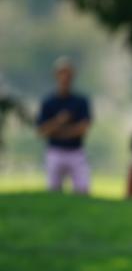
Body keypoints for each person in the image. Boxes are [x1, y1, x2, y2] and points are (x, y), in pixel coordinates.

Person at [35, 57, 92, 194]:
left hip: (75, 151)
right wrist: (59, 121)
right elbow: (41, 131)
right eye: (62, 73)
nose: (65, 77)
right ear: (56, 76)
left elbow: (83, 129)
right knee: (53, 190)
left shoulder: (80, 101)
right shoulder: (48, 102)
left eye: (68, 74)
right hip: (55, 151)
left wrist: (57, 131)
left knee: (82, 189)